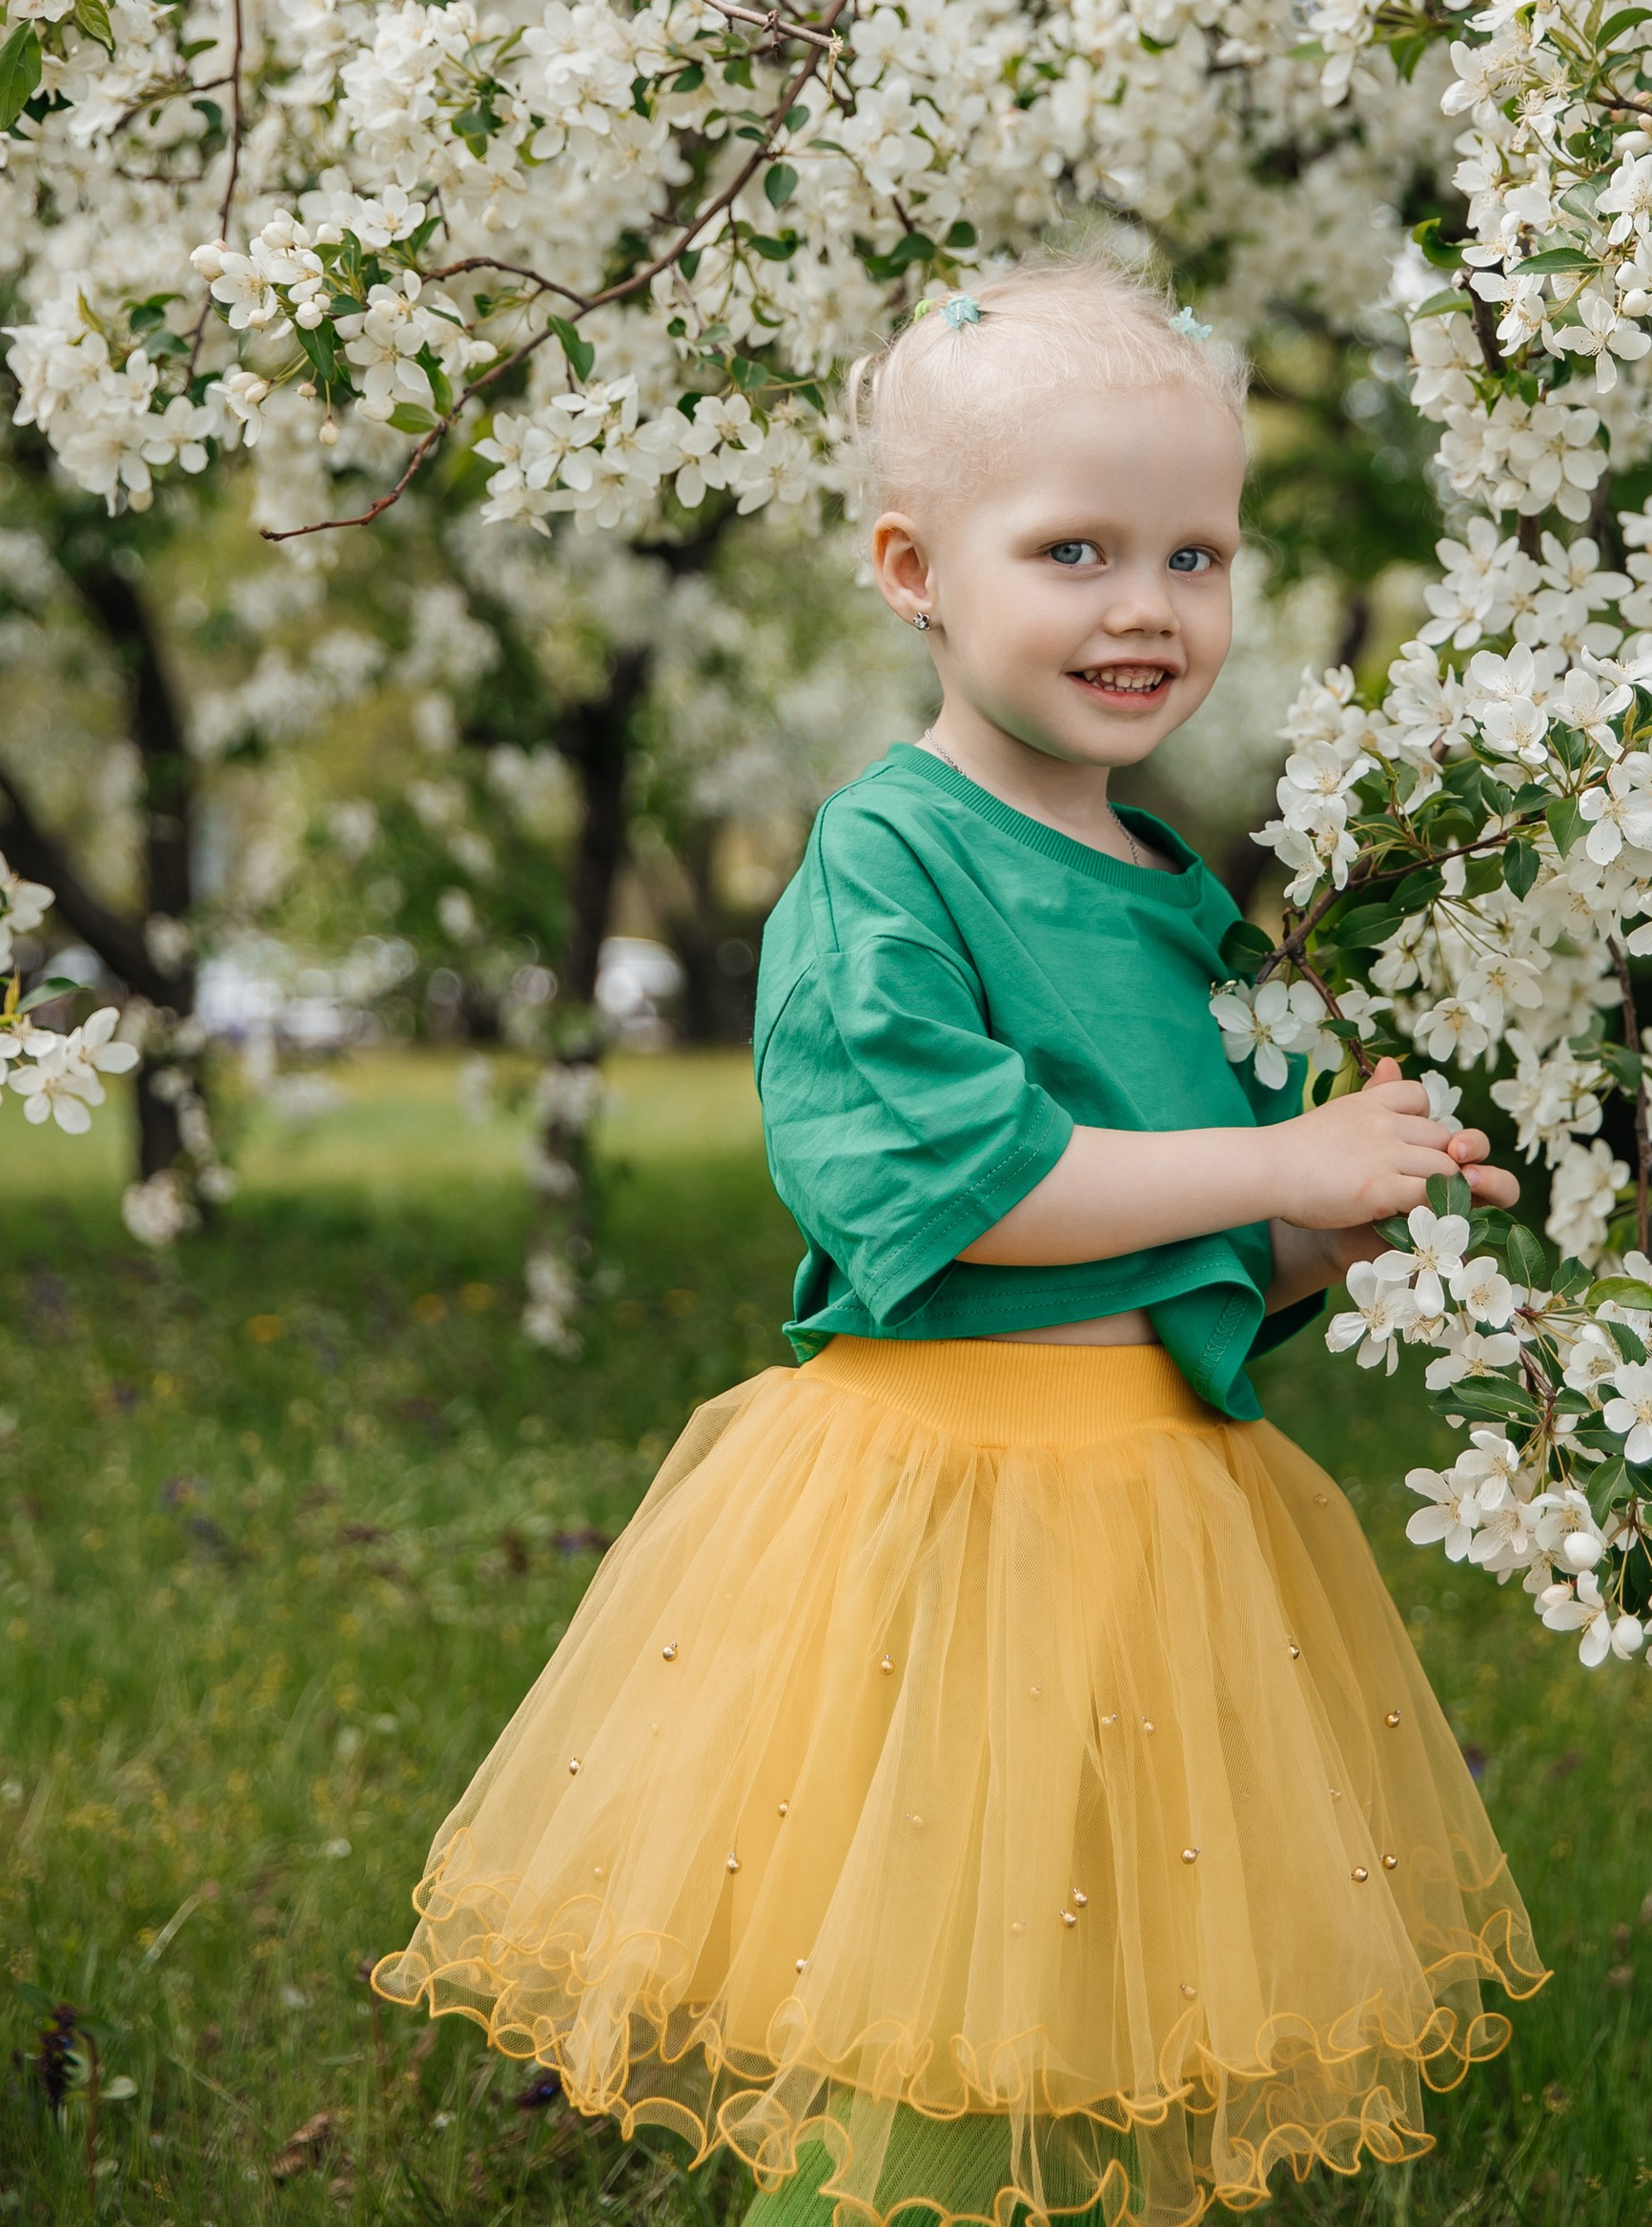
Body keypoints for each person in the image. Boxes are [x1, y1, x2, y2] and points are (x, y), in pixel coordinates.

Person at [373, 251, 1544, 2225]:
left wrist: (1336, 1220)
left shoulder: (1181, 887)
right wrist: (1268, 1169)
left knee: (1099, 2051)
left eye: (1193, 555)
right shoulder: (886, 852)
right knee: (915, 2041)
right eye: (1074, 547)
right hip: (942, 1517)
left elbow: (1170, 1255)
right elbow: (961, 1190)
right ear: (914, 568)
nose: (1144, 607)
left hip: (1167, 1527)